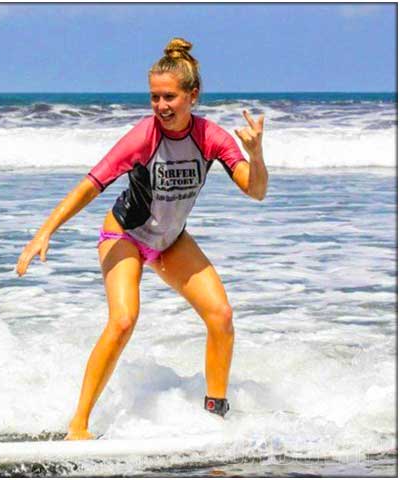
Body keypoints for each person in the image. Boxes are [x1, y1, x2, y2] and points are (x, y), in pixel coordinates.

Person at [15, 37, 268, 441]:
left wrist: (255, 154)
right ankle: (78, 426)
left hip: (171, 240)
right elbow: (90, 184)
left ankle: (215, 418)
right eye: (154, 97)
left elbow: (255, 191)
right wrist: (44, 232)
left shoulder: (210, 137)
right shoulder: (143, 137)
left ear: (192, 96)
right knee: (123, 320)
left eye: (169, 96)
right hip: (125, 235)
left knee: (221, 317)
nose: (161, 106)